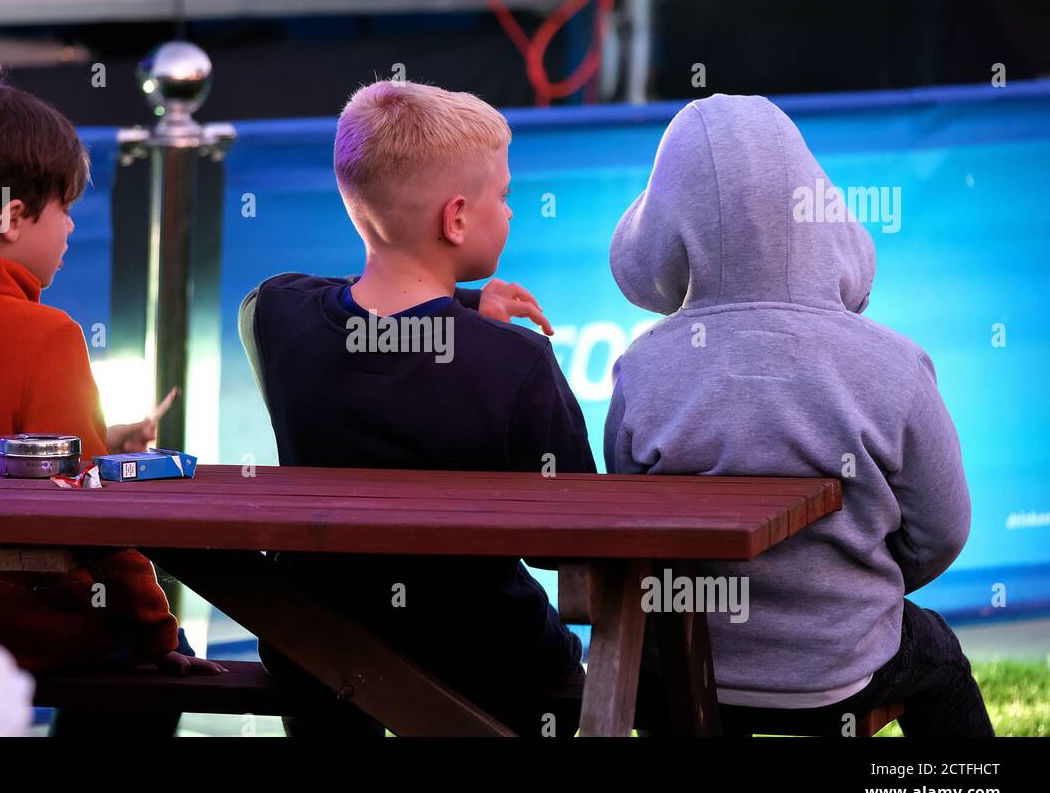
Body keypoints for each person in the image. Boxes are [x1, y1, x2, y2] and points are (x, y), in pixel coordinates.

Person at [605, 93, 993, 736]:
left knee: (655, 672)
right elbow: (944, 531)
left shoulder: (643, 370)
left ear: (666, 228)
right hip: (846, 666)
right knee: (941, 662)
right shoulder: (894, 366)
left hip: (694, 670)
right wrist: (866, 585)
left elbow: (635, 529)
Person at [0, 76, 221, 737]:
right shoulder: (49, 333)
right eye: (62, 205)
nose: (72, 224)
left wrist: (99, 440)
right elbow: (95, 521)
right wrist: (158, 633)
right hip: (18, 621)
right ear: (10, 217)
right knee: (157, 676)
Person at [240, 80, 592, 737]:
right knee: (562, 670)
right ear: (456, 219)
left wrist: (456, 308)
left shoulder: (274, 319)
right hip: (486, 658)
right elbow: (577, 546)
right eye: (505, 196)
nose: (512, 212)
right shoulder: (518, 365)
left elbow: (329, 299)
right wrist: (470, 319)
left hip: (315, 647)